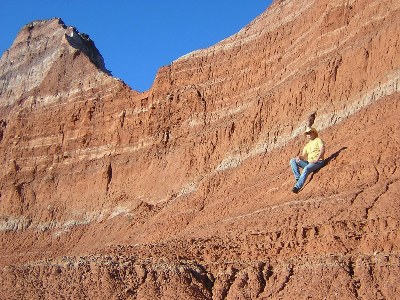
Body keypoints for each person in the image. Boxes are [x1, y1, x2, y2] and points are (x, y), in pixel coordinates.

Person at [290, 126, 325, 193]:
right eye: (307, 133)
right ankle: (298, 178)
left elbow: (322, 150)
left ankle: (297, 187)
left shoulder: (318, 140)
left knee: (306, 168)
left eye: (310, 132)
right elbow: (303, 156)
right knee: (292, 160)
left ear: (313, 132)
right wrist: (299, 157)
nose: (308, 134)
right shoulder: (307, 145)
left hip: (318, 162)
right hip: (310, 163)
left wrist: (317, 160)